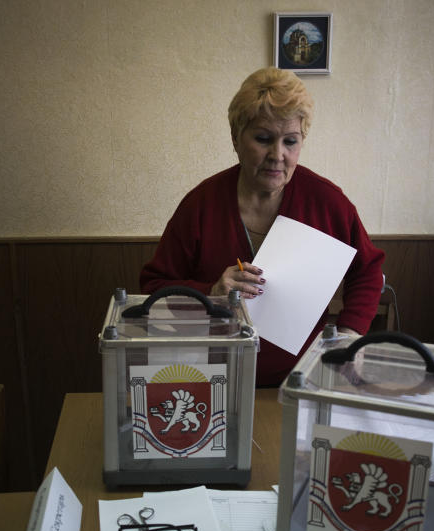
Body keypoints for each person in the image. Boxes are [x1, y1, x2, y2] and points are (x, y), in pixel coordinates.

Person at [140, 67, 385, 386]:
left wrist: (351, 333)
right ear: (235, 138)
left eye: (290, 141)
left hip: (300, 380)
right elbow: (153, 286)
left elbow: (368, 269)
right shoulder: (201, 205)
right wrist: (210, 293)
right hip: (212, 377)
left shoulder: (327, 202)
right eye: (263, 138)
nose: (277, 155)